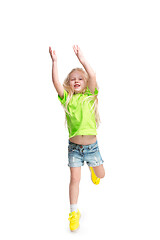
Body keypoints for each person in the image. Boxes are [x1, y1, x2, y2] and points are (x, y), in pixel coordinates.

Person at [49, 45, 105, 232]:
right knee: (74, 179)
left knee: (101, 175)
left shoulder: (90, 96)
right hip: (74, 149)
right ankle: (74, 212)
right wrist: (55, 62)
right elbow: (56, 83)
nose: (76, 81)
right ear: (69, 84)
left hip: (92, 148)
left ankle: (93, 168)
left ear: (86, 82)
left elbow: (93, 75)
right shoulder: (68, 99)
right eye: (73, 79)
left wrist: (82, 59)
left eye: (80, 78)